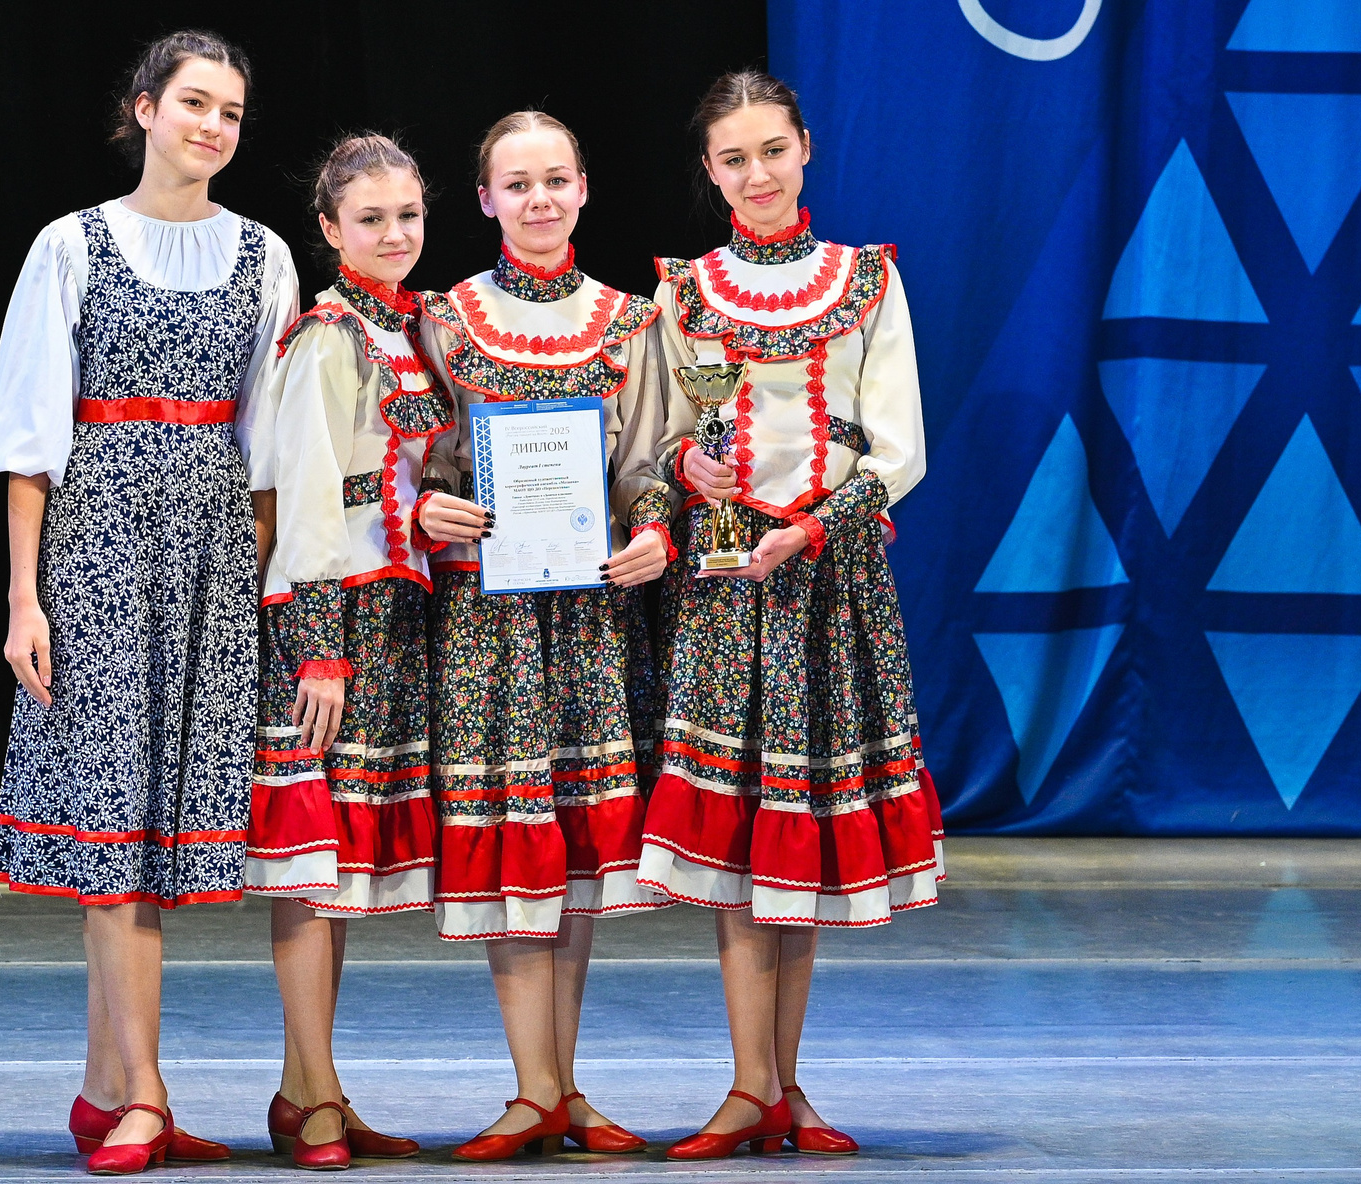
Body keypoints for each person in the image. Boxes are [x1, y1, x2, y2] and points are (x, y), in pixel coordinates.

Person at [0, 30, 298, 1177]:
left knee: (153, 834)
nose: (213, 125)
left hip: (210, 554)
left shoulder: (264, 255)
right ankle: (148, 1091)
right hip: (101, 549)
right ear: (146, 108)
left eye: (231, 111)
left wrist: (249, 584)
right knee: (111, 824)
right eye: (194, 102)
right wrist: (25, 597)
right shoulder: (71, 244)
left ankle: (105, 1087)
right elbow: (30, 440)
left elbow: (269, 445)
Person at [638, 71, 945, 1160]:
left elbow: (901, 449)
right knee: (739, 837)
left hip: (828, 579)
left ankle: (784, 1084)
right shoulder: (683, 292)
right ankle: (749, 1084)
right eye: (734, 158)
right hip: (726, 583)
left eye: (772, 150)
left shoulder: (865, 280)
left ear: (805, 147)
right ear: (710, 171)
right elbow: (657, 440)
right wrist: (689, 468)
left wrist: (814, 527)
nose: (757, 173)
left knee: (799, 835)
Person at [413, 109, 676, 1161]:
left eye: (556, 179)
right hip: (490, 619)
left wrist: (653, 530)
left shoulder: (632, 323)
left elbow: (647, 463)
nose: (539, 199)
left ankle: (561, 1088)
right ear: (485, 199)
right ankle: (534, 1089)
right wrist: (425, 509)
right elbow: (414, 457)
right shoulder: (444, 319)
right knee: (517, 854)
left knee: (572, 854)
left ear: (583, 188)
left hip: (591, 614)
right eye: (517, 183)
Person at [244, 133, 450, 1170]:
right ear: (330, 229)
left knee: (342, 868)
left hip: (395, 614)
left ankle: (308, 1087)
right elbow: (308, 497)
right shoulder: (330, 335)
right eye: (371, 219)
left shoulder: (412, 328)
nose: (394, 233)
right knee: (311, 869)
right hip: (333, 617)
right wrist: (320, 649)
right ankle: (315, 1093)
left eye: (407, 214)